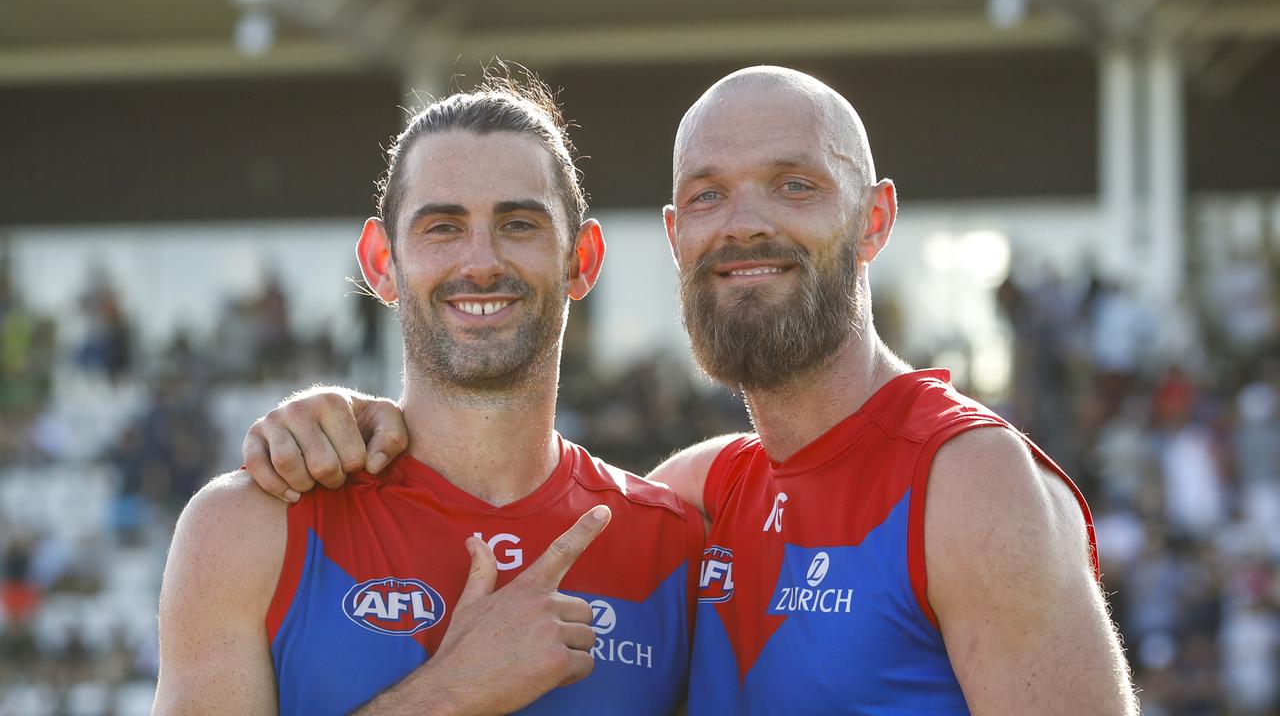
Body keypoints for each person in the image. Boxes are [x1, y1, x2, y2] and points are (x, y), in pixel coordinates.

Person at [244, 66, 1137, 713]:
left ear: (874, 221)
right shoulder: (698, 498)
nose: (744, 223)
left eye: (794, 185)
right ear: (675, 236)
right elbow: (499, 477)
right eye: (708, 197)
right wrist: (345, 421)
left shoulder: (973, 485)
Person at [155, 74, 703, 716]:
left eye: (519, 223)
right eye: (443, 227)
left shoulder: (677, 549)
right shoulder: (250, 526)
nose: (481, 262)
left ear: (581, 259)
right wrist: (452, 692)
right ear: (381, 261)